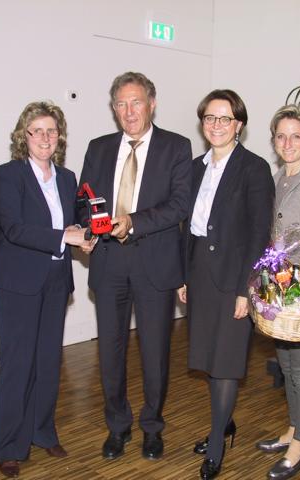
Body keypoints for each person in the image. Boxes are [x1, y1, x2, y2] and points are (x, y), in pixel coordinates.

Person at [78, 71, 192, 461]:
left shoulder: (176, 147)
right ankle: (118, 426)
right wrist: (86, 226)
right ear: (114, 109)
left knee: (155, 353)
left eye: (136, 102)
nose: (129, 111)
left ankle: (152, 428)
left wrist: (135, 221)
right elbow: (84, 197)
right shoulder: (98, 147)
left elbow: (180, 204)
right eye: (121, 104)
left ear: (152, 103)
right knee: (110, 353)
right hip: (108, 263)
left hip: (154, 264)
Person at [0, 101, 94, 478]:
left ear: (59, 137)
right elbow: (14, 229)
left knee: (49, 362)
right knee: (17, 366)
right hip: (18, 282)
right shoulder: (8, 175)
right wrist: (65, 236)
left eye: (52, 131)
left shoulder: (67, 178)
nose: (45, 137)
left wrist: (87, 235)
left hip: (54, 281)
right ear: (24, 136)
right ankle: (9, 445)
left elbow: (76, 220)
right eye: (38, 130)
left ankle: (41, 431)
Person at [178, 89, 274, 479]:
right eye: (210, 118)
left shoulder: (253, 169)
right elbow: (187, 227)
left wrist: (244, 289)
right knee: (208, 360)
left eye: (225, 119)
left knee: (227, 362)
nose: (216, 125)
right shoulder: (194, 166)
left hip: (234, 274)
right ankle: (224, 423)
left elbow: (258, 233)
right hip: (199, 270)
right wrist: (183, 275)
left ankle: (217, 443)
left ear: (239, 126)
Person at [254, 105, 300, 480]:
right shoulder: (278, 177)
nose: (288, 142)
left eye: (296, 135)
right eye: (281, 136)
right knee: (286, 364)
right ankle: (294, 428)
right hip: (279, 287)